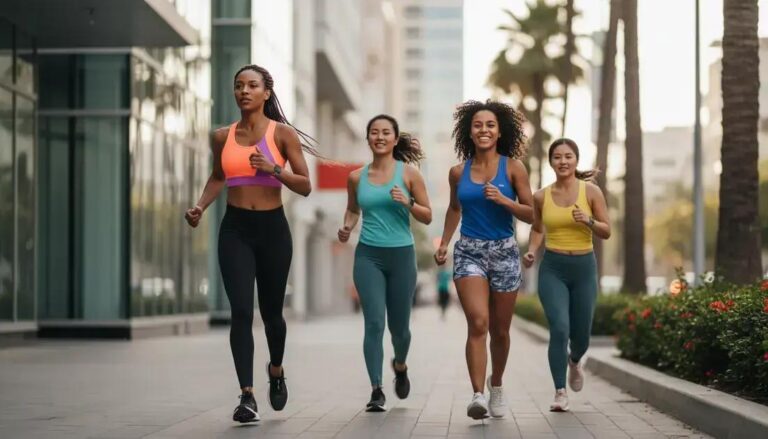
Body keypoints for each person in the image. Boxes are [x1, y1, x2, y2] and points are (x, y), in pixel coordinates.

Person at [184, 64, 316, 423]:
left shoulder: (282, 134)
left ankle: (275, 369)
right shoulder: (220, 136)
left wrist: (274, 169)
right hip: (235, 230)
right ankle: (246, 395)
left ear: (266, 93)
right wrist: (200, 206)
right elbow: (217, 177)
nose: (244, 90)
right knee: (240, 312)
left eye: (252, 85)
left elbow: (305, 185)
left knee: (272, 314)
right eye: (238, 85)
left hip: (273, 230)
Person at [434, 100, 533, 420]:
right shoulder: (457, 172)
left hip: (505, 251)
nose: (484, 130)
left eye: (490, 125)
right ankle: (477, 394)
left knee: (501, 331)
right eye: (478, 125)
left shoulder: (514, 168)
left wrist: (504, 200)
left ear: (499, 131)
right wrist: (445, 242)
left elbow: (533, 214)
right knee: (478, 322)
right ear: (469, 131)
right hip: (469, 252)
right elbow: (454, 209)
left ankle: (497, 385)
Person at [337, 114, 432, 412]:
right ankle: (376, 389)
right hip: (368, 255)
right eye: (374, 132)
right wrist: (347, 227)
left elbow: (427, 215)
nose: (379, 137)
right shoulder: (356, 177)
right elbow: (352, 210)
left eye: (385, 132)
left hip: (402, 256)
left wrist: (408, 202)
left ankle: (400, 364)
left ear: (394, 138)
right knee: (374, 322)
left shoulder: (410, 174)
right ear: (367, 139)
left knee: (400, 328)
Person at [522, 138, 611, 412]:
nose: (563, 161)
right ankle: (560, 391)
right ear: (551, 162)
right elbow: (537, 229)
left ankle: (574, 362)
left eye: (568, 156)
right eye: (557, 157)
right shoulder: (541, 196)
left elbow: (606, 231)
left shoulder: (592, 192)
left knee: (581, 336)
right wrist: (532, 251)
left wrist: (589, 221)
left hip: (584, 268)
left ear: (576, 160)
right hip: (553, 268)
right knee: (560, 328)